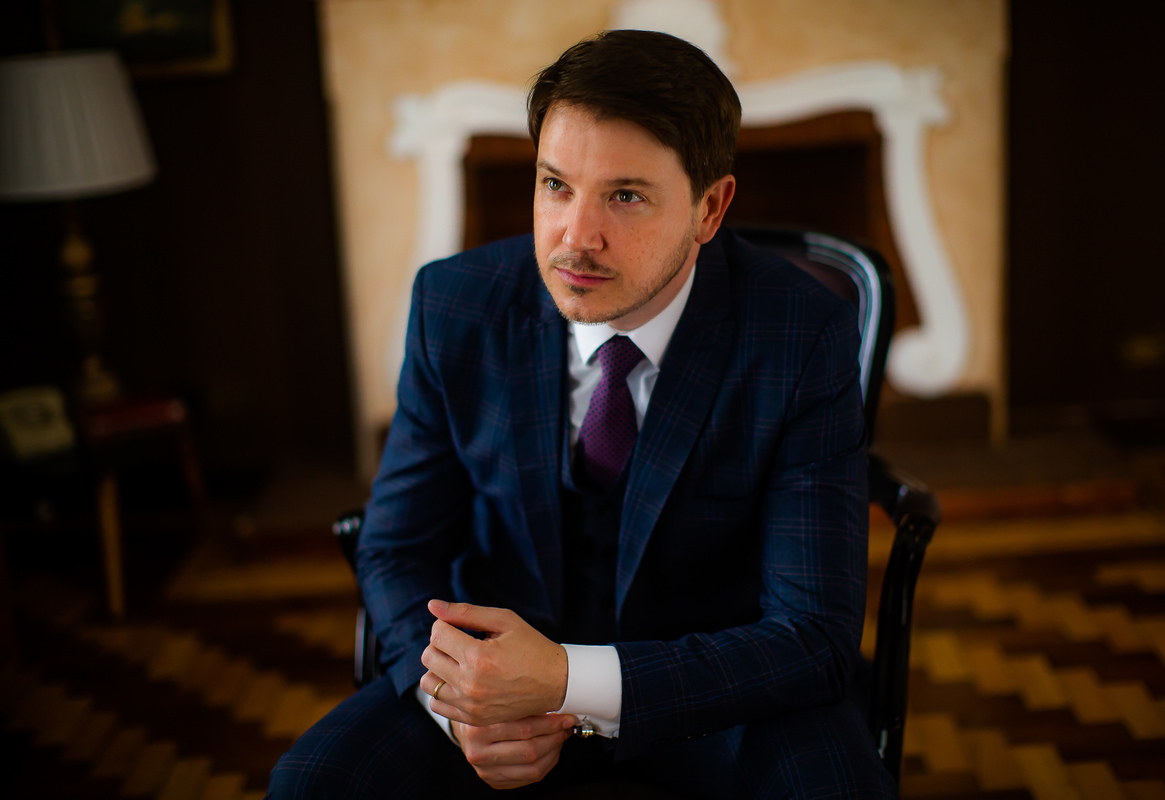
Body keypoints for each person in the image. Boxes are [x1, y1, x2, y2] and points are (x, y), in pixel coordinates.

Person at [269, 29, 894, 799]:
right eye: (556, 185)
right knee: (311, 786)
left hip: (717, 696)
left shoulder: (800, 331)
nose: (576, 236)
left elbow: (811, 636)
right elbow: (397, 550)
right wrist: (458, 707)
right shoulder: (454, 305)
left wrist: (568, 679)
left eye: (625, 196)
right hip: (493, 691)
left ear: (709, 208)